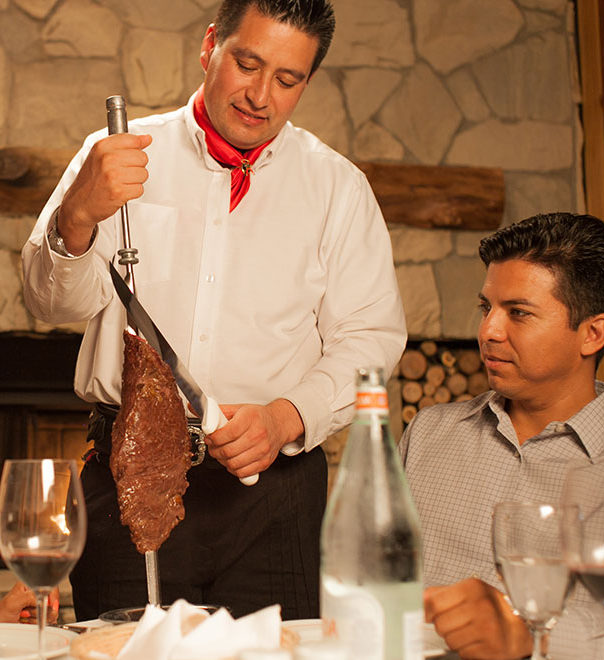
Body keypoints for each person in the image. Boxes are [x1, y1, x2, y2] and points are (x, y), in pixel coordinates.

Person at [22, 0, 406, 621]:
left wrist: (288, 417)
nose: (260, 95)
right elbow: (47, 303)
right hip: (128, 478)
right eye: (246, 64)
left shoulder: (338, 187)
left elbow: (371, 337)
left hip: (274, 498)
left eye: (287, 80)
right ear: (210, 46)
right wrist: (77, 217)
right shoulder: (111, 153)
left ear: (307, 82)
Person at [399, 212, 604, 659]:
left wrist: (529, 635)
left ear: (593, 333)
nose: (487, 331)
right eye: (486, 308)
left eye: (517, 313)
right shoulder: (429, 432)